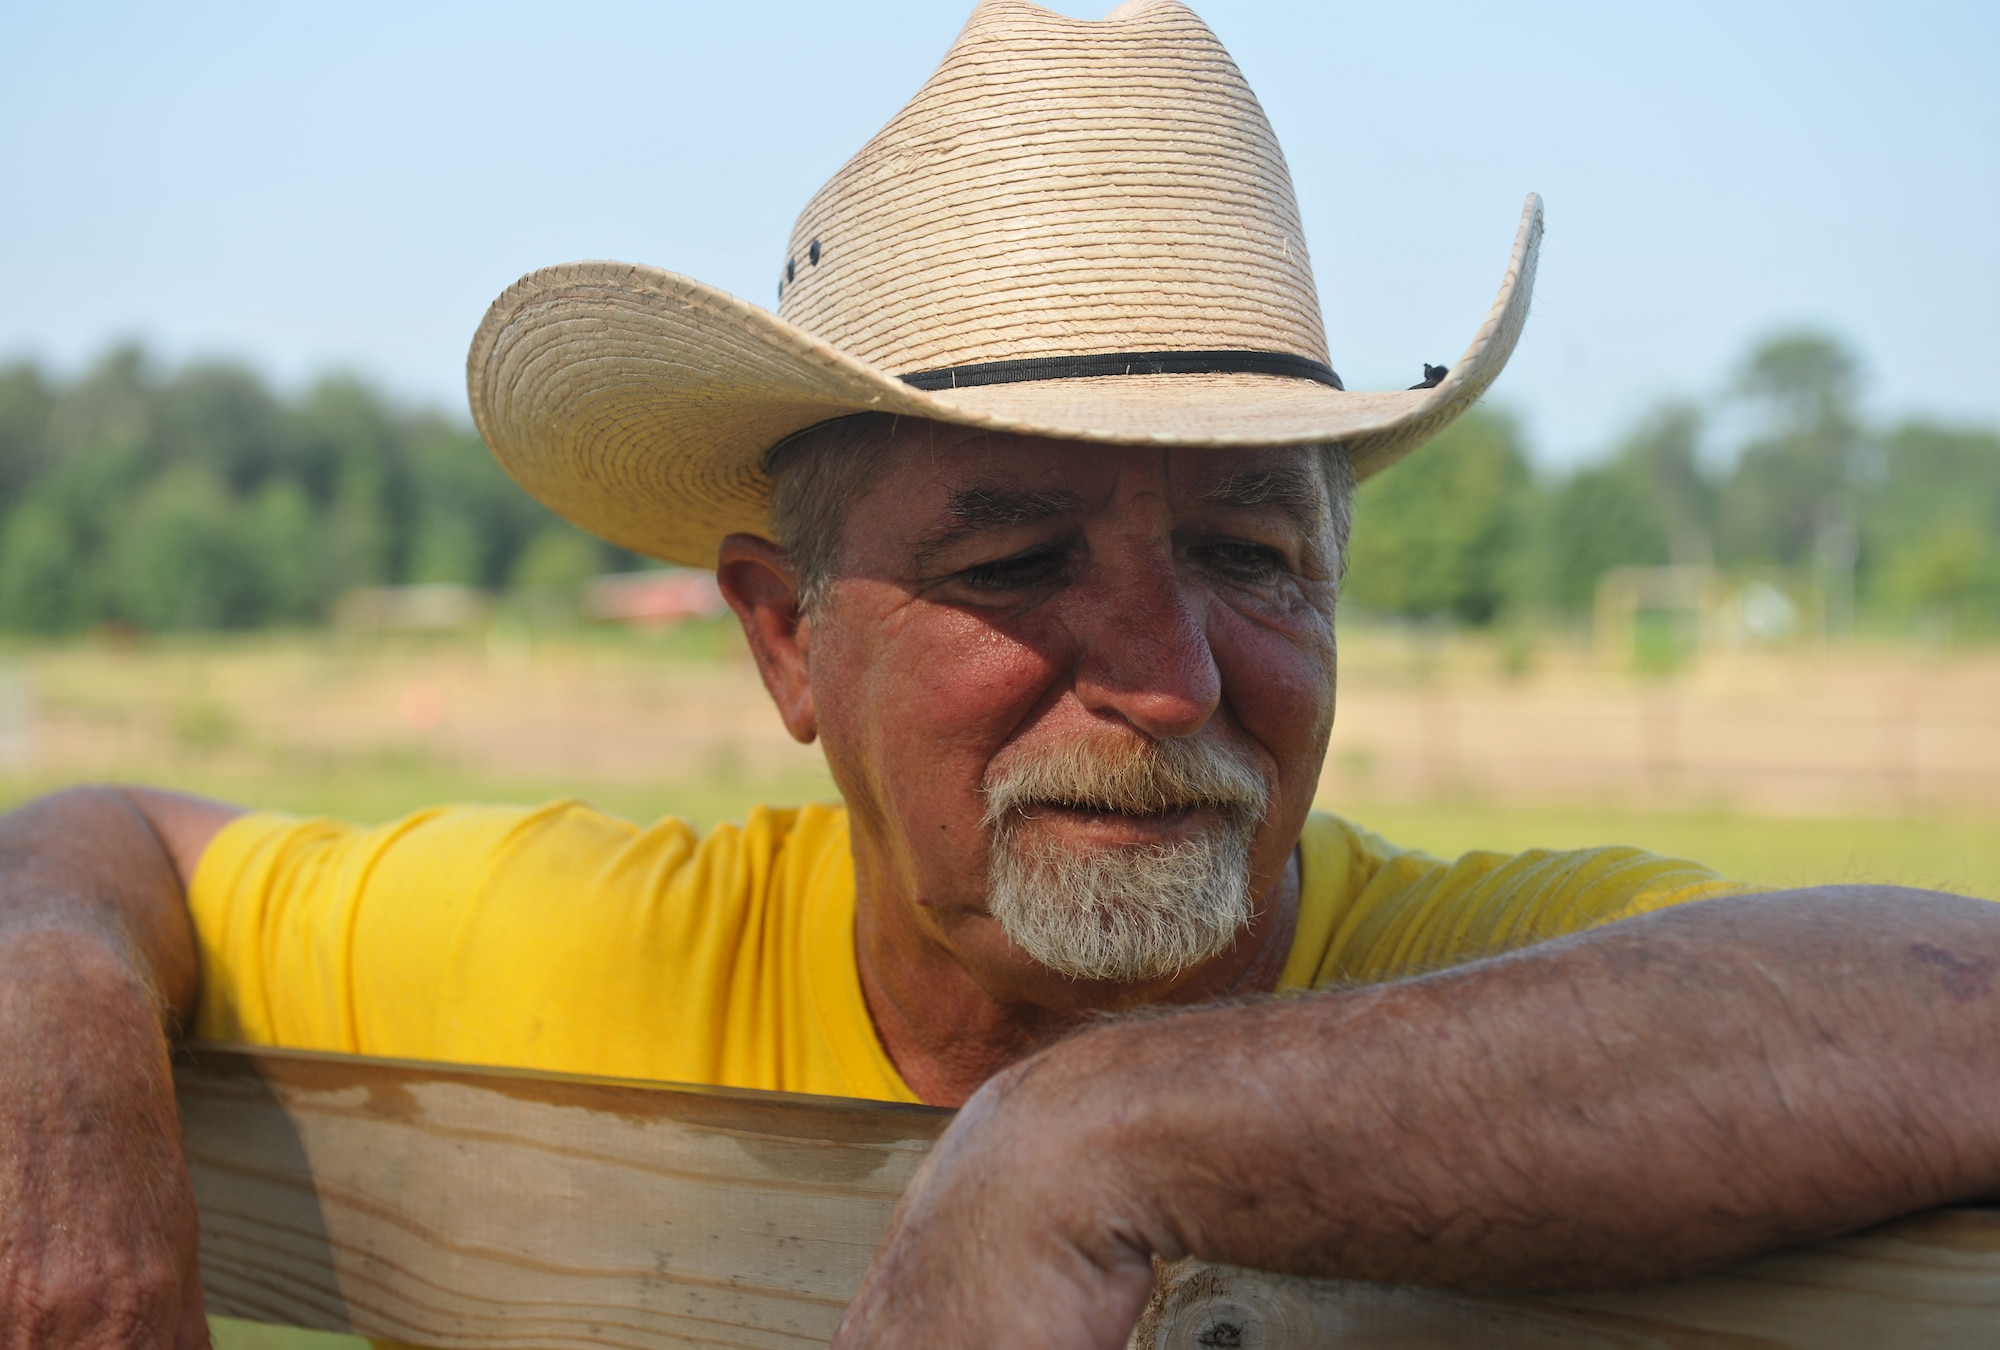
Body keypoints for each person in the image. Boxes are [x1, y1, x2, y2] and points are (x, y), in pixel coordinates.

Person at [3, 3, 1996, 1348]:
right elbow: (101, 848)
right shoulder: (596, 950)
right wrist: (54, 1020)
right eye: (1017, 559)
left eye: (1247, 557)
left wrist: (1107, 1135)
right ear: (787, 633)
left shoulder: (1495, 973)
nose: (1158, 677)